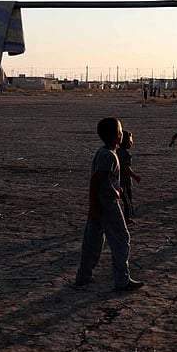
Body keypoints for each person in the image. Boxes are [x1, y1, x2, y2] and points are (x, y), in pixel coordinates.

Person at [75, 117, 144, 291]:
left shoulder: (103, 152)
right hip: (108, 205)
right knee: (121, 238)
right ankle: (122, 280)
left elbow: (105, 180)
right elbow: (95, 181)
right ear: (116, 136)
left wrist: (116, 188)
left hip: (101, 203)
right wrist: (93, 205)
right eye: (120, 131)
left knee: (93, 241)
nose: (122, 134)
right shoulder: (109, 156)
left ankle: (84, 275)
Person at [118, 131, 141, 222]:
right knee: (127, 200)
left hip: (117, 180)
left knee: (124, 199)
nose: (131, 143)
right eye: (130, 142)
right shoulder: (127, 155)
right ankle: (126, 217)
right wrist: (135, 176)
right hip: (125, 181)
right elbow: (126, 168)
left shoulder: (116, 151)